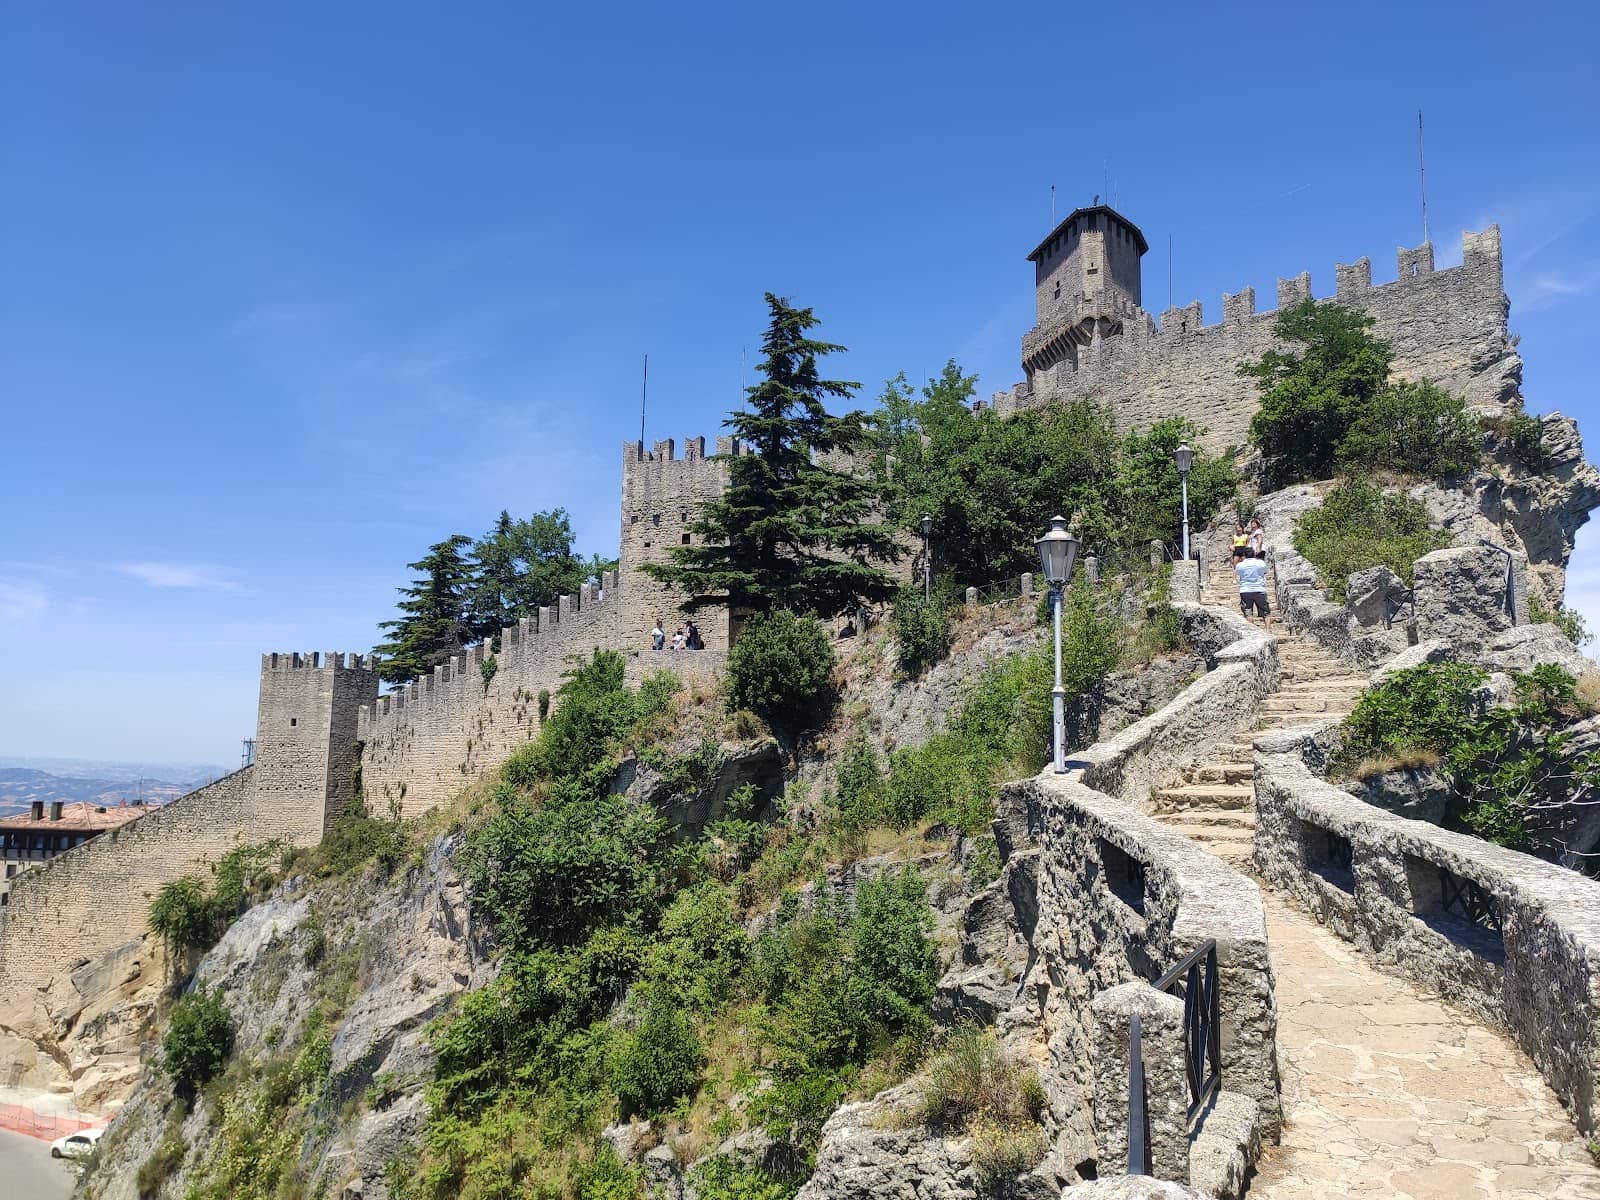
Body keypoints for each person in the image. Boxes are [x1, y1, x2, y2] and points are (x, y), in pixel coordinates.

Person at [1235, 548, 1272, 630]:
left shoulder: (1240, 565)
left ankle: (1253, 631)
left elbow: (1238, 574)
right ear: (1254, 554)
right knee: (1266, 612)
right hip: (1259, 589)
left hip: (1245, 590)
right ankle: (1268, 631)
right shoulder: (1261, 563)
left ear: (1244, 555)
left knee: (1248, 612)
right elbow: (1265, 571)